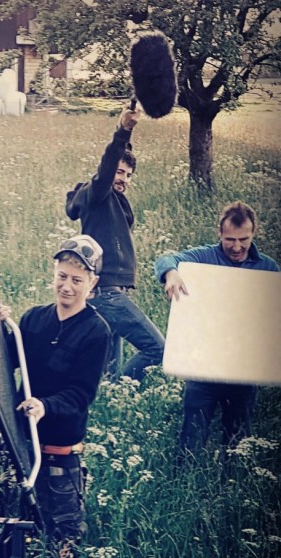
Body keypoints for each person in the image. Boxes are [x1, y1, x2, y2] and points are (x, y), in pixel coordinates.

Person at [6, 235, 110, 547]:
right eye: (62, 276)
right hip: (23, 442)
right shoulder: (33, 318)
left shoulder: (96, 331)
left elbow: (81, 395)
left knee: (66, 534)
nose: (67, 286)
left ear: (92, 283)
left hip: (60, 450)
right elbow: (6, 360)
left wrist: (44, 406)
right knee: (25, 527)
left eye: (77, 280)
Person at [154, 201, 279, 451]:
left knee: (239, 443)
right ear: (219, 233)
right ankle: (187, 475)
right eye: (230, 239)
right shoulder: (204, 257)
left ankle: (231, 475)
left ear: (254, 233)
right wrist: (171, 273)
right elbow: (165, 259)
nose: (237, 246)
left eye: (243, 239)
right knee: (191, 440)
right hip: (203, 368)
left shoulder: (268, 268)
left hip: (244, 372)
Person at [66, 104, 164, 382]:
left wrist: (126, 142)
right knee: (158, 349)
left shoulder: (116, 203)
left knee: (107, 374)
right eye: (119, 173)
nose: (124, 180)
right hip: (107, 293)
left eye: (128, 175)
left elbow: (114, 164)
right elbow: (107, 166)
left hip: (110, 293)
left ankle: (111, 395)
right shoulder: (99, 195)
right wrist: (124, 130)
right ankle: (123, 387)